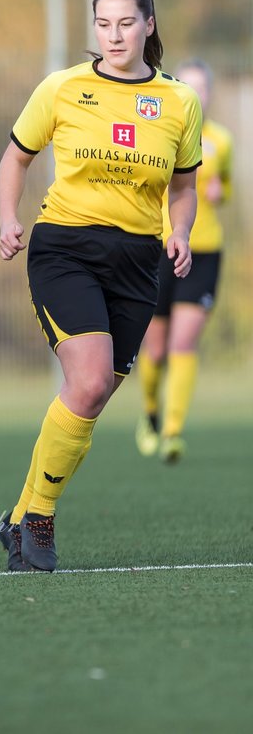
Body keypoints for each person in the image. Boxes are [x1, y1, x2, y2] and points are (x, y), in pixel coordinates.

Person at [0, 0, 201, 572]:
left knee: (94, 394)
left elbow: (183, 185)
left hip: (138, 263)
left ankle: (17, 515)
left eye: (126, 23)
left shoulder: (179, 101)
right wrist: (8, 216)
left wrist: (179, 230)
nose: (113, 35)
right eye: (103, 24)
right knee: (85, 384)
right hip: (66, 250)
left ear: (149, 25)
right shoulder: (62, 88)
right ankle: (39, 519)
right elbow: (15, 157)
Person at [134, 59, 234, 464]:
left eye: (202, 88)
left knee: (184, 342)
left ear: (209, 93)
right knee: (155, 350)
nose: (195, 94)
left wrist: (219, 193)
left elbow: (221, 185)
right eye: (187, 86)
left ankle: (174, 431)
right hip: (157, 248)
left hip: (204, 249)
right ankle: (151, 414)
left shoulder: (220, 141)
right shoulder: (160, 133)